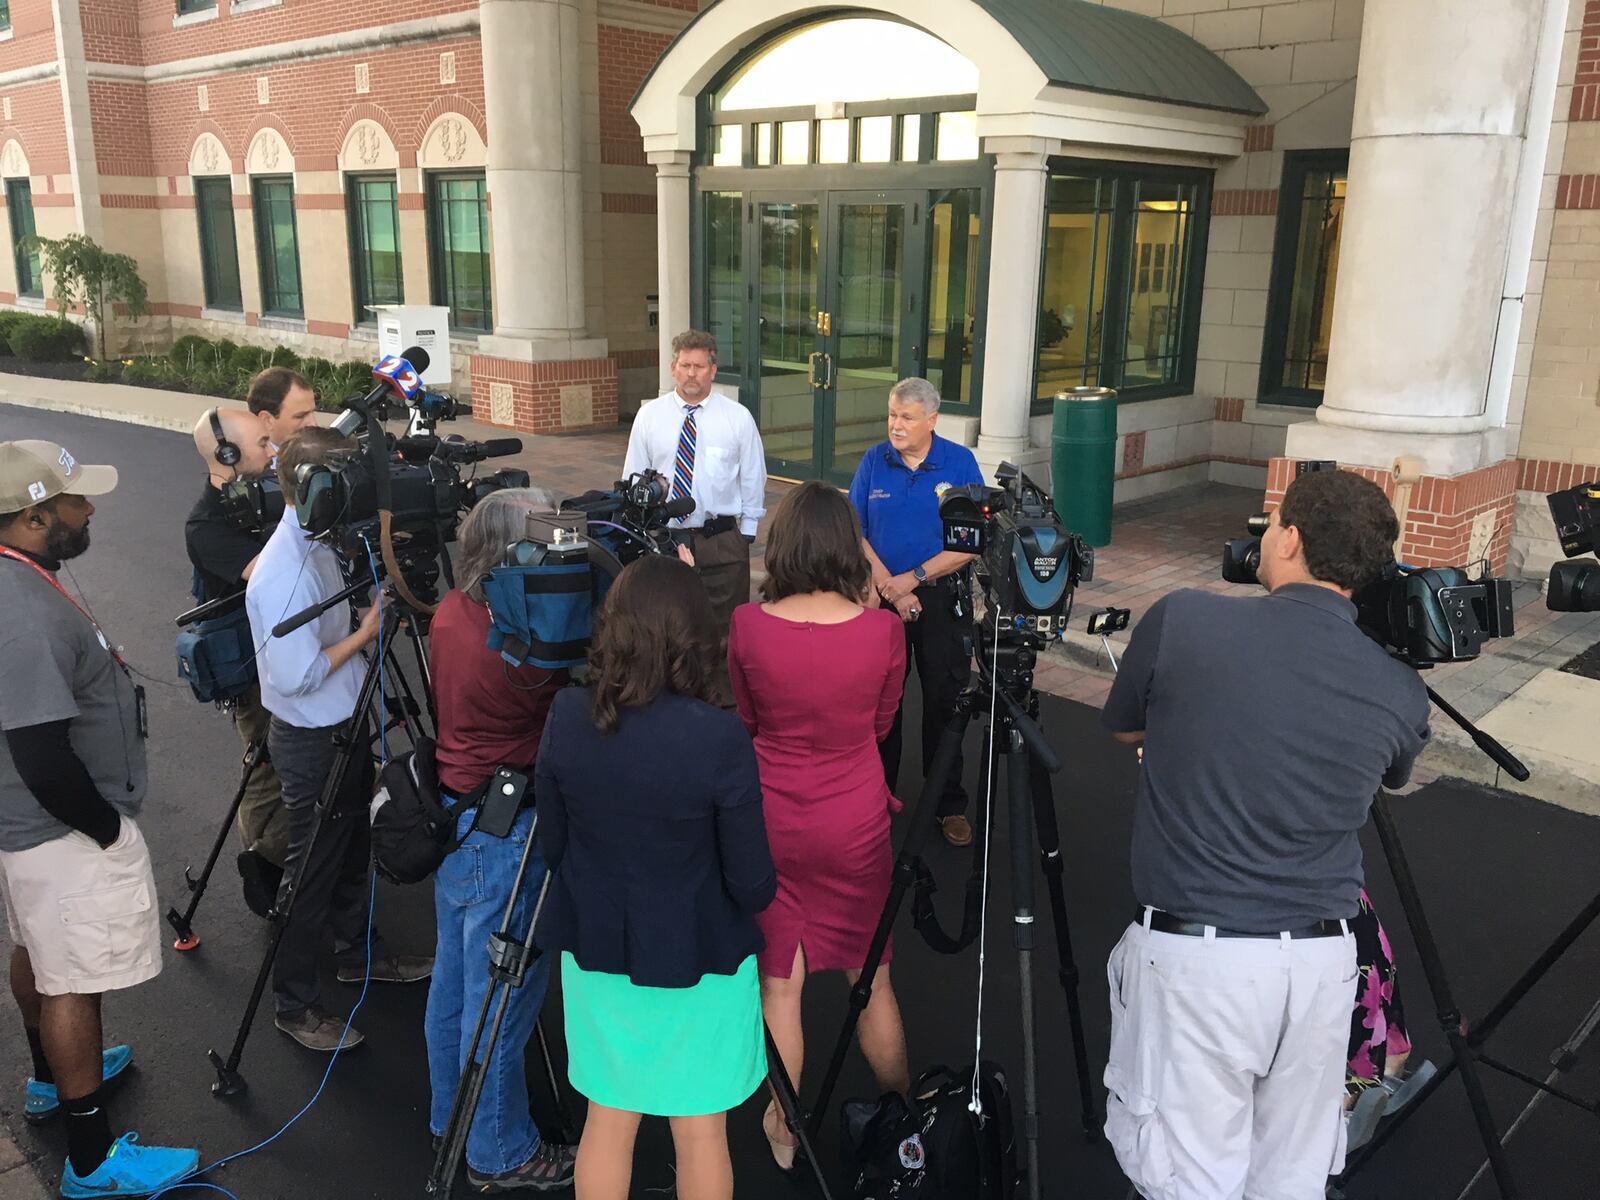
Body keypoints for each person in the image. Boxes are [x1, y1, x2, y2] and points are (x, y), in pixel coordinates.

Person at [1099, 468, 1432, 1200]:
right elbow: (1393, 770)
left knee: (1187, 1179)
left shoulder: (1184, 618)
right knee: (1290, 1180)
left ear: (1289, 538)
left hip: (1197, 965)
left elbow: (1124, 725)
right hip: (1319, 973)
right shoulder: (1398, 686)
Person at [534, 555, 775, 1200]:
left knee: (608, 1122)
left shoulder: (566, 716)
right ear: (697, 635)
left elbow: (554, 848)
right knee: (701, 1131)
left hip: (600, 955)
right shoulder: (719, 738)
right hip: (700, 961)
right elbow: (754, 887)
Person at [0, 439, 201, 1197]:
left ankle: (52, 1081)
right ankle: (92, 1160)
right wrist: (108, 830)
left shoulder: (28, 577)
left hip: (34, 837)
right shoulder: (23, 615)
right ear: (34, 515)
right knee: (73, 983)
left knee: (44, 952)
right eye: (77, 499)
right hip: (60, 833)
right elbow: (43, 756)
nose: (90, 510)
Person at [727, 481, 912, 1173]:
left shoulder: (748, 626)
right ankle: (902, 1113)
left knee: (781, 983)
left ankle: (784, 1126)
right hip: (856, 819)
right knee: (874, 978)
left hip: (771, 815)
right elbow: (883, 723)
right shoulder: (884, 632)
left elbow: (746, 721)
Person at [245, 427, 431, 1053]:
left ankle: (357, 953)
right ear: (315, 488)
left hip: (342, 729)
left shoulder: (318, 541)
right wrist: (368, 632)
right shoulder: (283, 573)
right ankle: (294, 1006)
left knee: (354, 850)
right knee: (314, 872)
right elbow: (296, 674)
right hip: (313, 739)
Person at [424, 489, 577, 1193]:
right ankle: (498, 1151)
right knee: (503, 1002)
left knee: (455, 986)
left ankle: (448, 1117)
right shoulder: (518, 644)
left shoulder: (456, 609)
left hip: (461, 813)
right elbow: (569, 688)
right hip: (508, 829)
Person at [848, 377, 982, 847]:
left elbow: (968, 543)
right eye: (891, 415)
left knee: (945, 702)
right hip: (881, 600)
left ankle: (948, 804)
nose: (896, 425)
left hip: (941, 600)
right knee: (881, 704)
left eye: (906, 417)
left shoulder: (960, 463)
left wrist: (914, 580)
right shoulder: (873, 460)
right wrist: (890, 587)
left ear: (931, 420)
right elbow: (855, 530)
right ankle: (877, 797)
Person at [185, 407, 289, 915]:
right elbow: (267, 574)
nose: (273, 453)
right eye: (262, 445)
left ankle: (279, 857)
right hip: (251, 667)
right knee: (266, 769)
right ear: (225, 456)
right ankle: (266, 865)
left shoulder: (264, 496)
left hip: (289, 650)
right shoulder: (206, 524)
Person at [622, 329, 766, 630]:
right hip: (665, 538)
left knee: (725, 630)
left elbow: (753, 476)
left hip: (720, 541)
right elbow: (632, 478)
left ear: (712, 371)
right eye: (685, 365)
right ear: (673, 368)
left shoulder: (737, 418)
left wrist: (747, 533)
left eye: (699, 367)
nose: (691, 374)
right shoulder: (649, 416)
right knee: (669, 626)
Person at [247, 366, 318, 452]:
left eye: (312, 413)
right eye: (300, 416)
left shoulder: (320, 457)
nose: (313, 424)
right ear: (267, 420)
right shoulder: (249, 463)